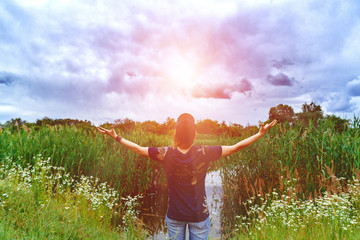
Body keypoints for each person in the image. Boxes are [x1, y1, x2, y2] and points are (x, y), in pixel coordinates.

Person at [97, 113, 277, 240]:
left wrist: (117, 137)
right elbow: (236, 146)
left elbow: (138, 148)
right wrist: (260, 133)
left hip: (175, 215)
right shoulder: (204, 152)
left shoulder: (165, 153)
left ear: (175, 133)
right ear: (194, 134)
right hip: (199, 216)